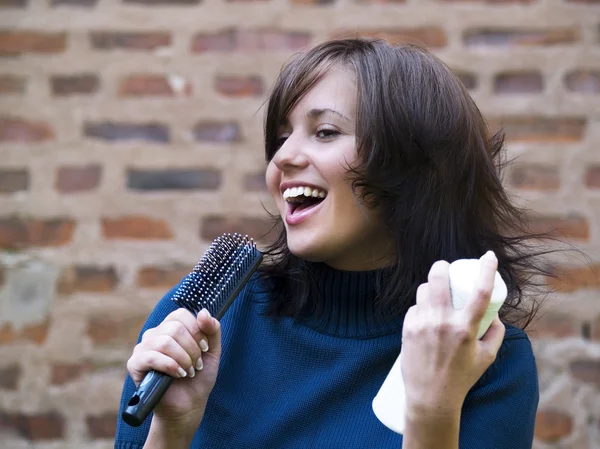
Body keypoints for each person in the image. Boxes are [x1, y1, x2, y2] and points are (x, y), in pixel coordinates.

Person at [114, 38, 544, 449]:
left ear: (413, 167)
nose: (283, 158)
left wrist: (433, 411)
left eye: (324, 132)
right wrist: (172, 430)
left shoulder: (485, 358)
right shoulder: (210, 322)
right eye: (282, 138)